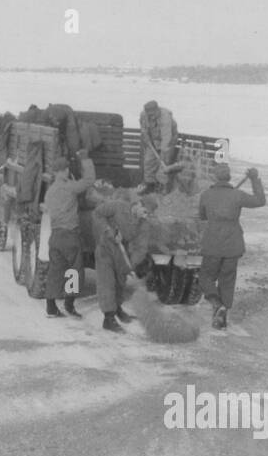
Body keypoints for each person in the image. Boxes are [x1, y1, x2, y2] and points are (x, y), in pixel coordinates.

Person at [197, 164, 266, 329]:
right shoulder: (237, 195)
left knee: (205, 277)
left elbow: (202, 215)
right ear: (228, 177)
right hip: (232, 244)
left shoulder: (206, 195)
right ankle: (221, 319)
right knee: (227, 281)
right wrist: (255, 179)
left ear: (215, 177)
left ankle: (215, 302)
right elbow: (260, 201)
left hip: (213, 243)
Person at [42, 152, 95, 319]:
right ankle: (69, 305)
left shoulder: (50, 191)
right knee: (74, 271)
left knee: (55, 272)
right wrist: (85, 160)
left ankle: (51, 308)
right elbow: (88, 182)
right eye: (66, 169)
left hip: (55, 236)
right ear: (64, 171)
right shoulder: (69, 186)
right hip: (70, 236)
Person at [91, 190, 137, 333]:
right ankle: (108, 318)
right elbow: (97, 213)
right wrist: (108, 231)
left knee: (120, 282)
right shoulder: (117, 205)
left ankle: (117, 309)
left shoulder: (136, 216)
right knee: (107, 282)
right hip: (106, 249)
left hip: (120, 251)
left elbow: (130, 234)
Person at [139, 100, 178, 193]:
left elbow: (166, 137)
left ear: (157, 110)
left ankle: (162, 186)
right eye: (149, 115)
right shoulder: (143, 115)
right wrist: (146, 137)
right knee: (148, 161)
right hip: (153, 140)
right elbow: (143, 128)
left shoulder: (165, 117)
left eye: (153, 114)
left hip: (169, 140)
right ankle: (150, 185)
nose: (151, 117)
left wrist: (163, 153)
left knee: (164, 162)